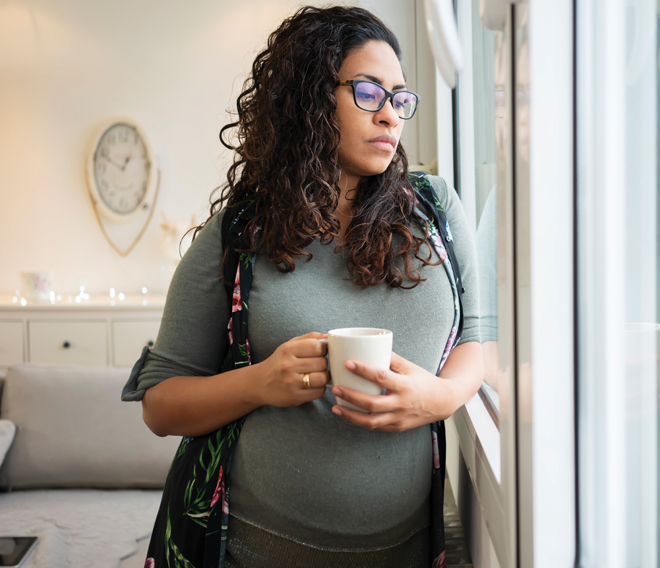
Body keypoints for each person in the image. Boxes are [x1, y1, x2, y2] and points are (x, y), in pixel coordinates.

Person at [120, 6, 482, 568]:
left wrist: (445, 396)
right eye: (368, 93)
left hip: (404, 551)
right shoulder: (237, 236)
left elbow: (481, 336)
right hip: (250, 548)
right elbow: (161, 405)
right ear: (311, 98)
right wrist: (262, 382)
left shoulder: (434, 211)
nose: (391, 117)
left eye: (400, 98)